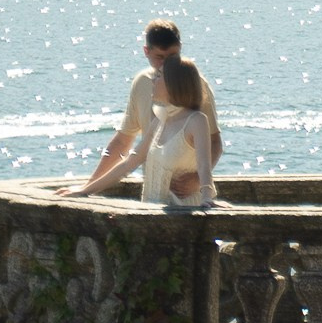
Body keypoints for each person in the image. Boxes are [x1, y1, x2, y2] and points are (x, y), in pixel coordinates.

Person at [62, 20, 224, 199]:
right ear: (147, 52)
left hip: (187, 201)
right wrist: (86, 188)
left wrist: (198, 180)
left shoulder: (195, 88)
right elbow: (123, 145)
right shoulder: (145, 89)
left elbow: (214, 143)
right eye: (160, 57)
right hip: (155, 200)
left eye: (173, 56)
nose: (166, 64)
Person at [140, 50, 218, 209]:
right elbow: (131, 160)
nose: (153, 80)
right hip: (154, 210)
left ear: (173, 84)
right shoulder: (161, 118)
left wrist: (206, 197)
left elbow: (204, 164)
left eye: (159, 76)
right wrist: (90, 188)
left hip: (184, 211)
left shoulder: (197, 120)